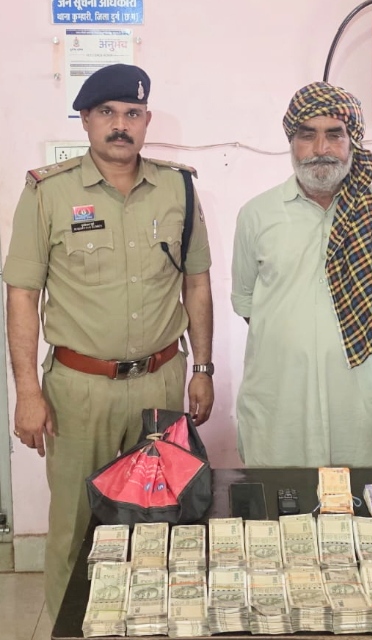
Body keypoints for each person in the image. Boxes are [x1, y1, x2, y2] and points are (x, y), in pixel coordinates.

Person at [4, 63, 214, 621]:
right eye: (107, 113)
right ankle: (69, 627)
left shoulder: (179, 188)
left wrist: (203, 368)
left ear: (146, 120)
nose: (121, 125)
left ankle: (148, 623)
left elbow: (196, 282)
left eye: (132, 114)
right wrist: (27, 391)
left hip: (161, 382)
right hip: (80, 391)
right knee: (75, 525)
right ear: (85, 119)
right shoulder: (48, 193)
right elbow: (22, 294)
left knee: (160, 516)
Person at [231, 81, 372, 467]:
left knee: (358, 503)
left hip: (358, 405)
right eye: (307, 135)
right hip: (279, 403)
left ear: (353, 142)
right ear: (291, 142)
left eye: (334, 134)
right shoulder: (257, 214)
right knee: (279, 502)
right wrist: (298, 339)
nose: (320, 148)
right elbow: (249, 304)